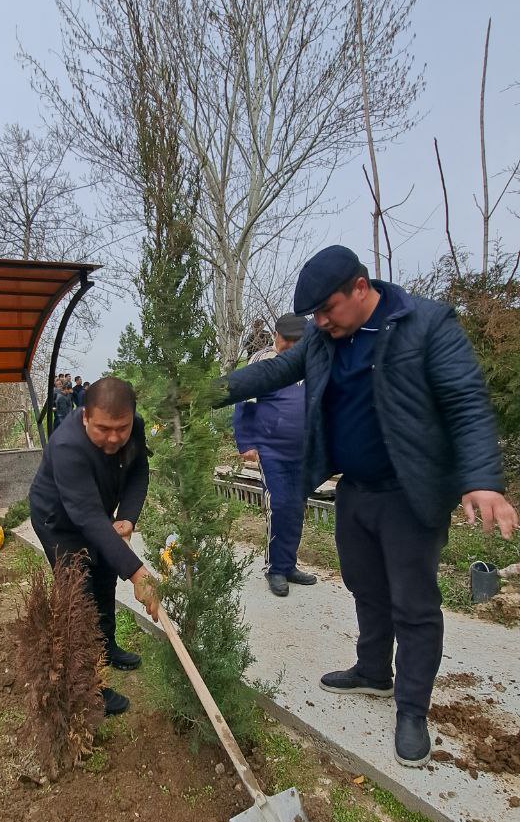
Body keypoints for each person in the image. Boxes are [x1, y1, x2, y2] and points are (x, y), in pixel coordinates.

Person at [218, 245, 518, 768]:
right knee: (365, 586)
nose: (320, 321)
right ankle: (374, 672)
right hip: (354, 488)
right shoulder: (322, 336)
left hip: (409, 491)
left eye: (327, 309)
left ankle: (412, 711)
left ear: (361, 288)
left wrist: (482, 480)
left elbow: (466, 401)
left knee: (414, 604)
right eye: (313, 315)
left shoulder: (425, 324)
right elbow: (274, 372)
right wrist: (206, 390)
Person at [29, 375, 159, 716]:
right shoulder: (67, 446)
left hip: (95, 513)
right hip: (58, 521)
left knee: (104, 577)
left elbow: (139, 470)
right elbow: (85, 517)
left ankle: (107, 646)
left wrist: (128, 517)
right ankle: (88, 685)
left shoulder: (134, 426)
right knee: (79, 594)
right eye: (103, 428)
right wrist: (138, 573)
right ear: (85, 416)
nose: (114, 437)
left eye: (122, 427)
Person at [233, 314, 316, 597]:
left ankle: (288, 564)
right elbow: (244, 404)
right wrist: (246, 443)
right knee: (278, 505)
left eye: (298, 342)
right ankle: (275, 569)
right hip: (272, 450)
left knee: (295, 507)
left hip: (302, 452)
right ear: (276, 336)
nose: (291, 346)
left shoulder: (310, 362)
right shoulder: (262, 361)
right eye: (287, 340)